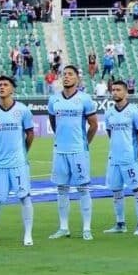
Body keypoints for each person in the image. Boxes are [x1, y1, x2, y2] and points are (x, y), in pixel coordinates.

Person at [0, 76, 35, 247]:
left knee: (24, 197)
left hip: (18, 163)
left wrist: (22, 152)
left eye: (5, 85)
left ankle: (28, 235)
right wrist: (0, 152)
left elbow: (30, 134)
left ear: (12, 89)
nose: (1, 87)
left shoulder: (23, 110)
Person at [47, 66, 99, 240]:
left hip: (78, 150)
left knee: (83, 188)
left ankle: (86, 228)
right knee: (61, 189)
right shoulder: (54, 99)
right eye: (64, 75)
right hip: (60, 150)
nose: (67, 77)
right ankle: (63, 228)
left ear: (77, 78)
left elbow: (93, 125)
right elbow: (53, 122)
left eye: (70, 74)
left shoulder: (85, 99)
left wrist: (85, 143)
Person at [102, 81, 138, 236]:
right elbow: (110, 133)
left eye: (118, 90)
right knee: (116, 191)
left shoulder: (134, 112)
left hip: (130, 159)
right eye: (113, 90)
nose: (115, 92)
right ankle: (120, 224)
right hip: (114, 158)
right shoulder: (109, 113)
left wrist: (133, 151)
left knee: (137, 189)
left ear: (126, 92)